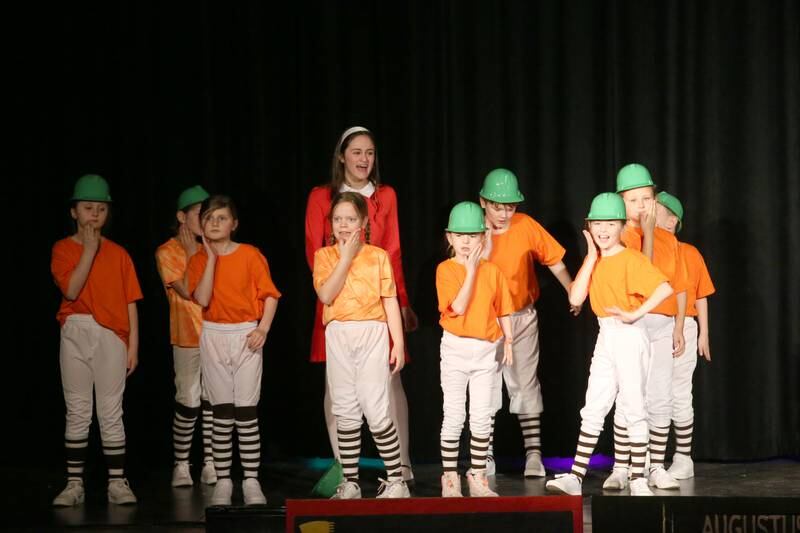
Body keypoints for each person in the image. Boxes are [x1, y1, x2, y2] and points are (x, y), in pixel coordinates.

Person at [305, 126, 417, 483]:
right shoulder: (322, 196)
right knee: (336, 388)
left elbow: (393, 252)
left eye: (369, 153)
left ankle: (401, 465)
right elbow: (315, 251)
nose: (363, 159)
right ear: (342, 156)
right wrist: (338, 281)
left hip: (377, 304)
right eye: (356, 152)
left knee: (389, 381)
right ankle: (344, 470)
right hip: (338, 301)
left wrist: (401, 302)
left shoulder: (385, 196)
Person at [545, 193, 673, 497]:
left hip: (630, 335)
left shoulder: (631, 257)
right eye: (597, 223)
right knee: (594, 405)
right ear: (589, 225)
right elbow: (575, 298)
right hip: (607, 336)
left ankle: (638, 477)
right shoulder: (596, 260)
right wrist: (590, 256)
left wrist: (635, 313)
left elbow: (664, 288)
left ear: (620, 226)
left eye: (610, 223)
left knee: (633, 406)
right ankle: (575, 476)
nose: (603, 230)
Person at [478, 168, 577, 477]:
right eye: (497, 205)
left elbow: (555, 261)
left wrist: (572, 289)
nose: (505, 212)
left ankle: (533, 453)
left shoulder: (525, 226)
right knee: (486, 386)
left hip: (521, 317)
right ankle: (484, 455)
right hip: (484, 321)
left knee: (524, 381)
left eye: (510, 206)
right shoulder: (473, 229)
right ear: (483, 202)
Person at [51, 174, 142, 506]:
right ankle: (74, 483)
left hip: (111, 335)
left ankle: (117, 482)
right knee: (77, 410)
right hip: (75, 330)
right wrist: (88, 251)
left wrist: (132, 346)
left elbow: (131, 301)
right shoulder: (63, 248)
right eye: (87, 208)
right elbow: (71, 290)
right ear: (74, 211)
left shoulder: (119, 254)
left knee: (110, 410)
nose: (94, 215)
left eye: (100, 209)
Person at [312, 192, 410, 499]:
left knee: (376, 406)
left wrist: (398, 343)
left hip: (372, 332)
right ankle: (350, 482)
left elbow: (390, 301)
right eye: (338, 219)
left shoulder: (377, 256)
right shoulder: (324, 257)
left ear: (364, 222)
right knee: (345, 407)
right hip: (339, 333)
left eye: (350, 219)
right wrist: (344, 256)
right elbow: (327, 295)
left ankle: (397, 480)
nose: (343, 225)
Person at [187, 195, 281, 505]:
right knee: (221, 412)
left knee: (245, 411)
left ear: (234, 224)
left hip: (245, 334)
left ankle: (251, 480)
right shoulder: (198, 259)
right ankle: (224, 480)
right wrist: (212, 259)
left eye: (221, 218)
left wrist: (262, 328)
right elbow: (201, 299)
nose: (214, 223)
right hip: (214, 334)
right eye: (209, 218)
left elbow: (270, 295)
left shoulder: (251, 255)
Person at [604, 164, 688, 491]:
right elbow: (642, 277)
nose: (641, 206)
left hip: (663, 322)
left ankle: (656, 465)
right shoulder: (621, 235)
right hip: (633, 323)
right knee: (629, 396)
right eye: (633, 199)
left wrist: (680, 326)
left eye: (646, 198)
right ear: (621, 202)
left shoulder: (670, 241)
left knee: (660, 396)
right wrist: (649, 234)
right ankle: (622, 466)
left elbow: (677, 286)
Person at [436, 201, 514, 497]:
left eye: (472, 236)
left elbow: (503, 307)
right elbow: (457, 306)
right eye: (460, 236)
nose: (467, 242)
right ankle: (450, 477)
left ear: (483, 237)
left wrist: (509, 340)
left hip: (485, 350)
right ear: (450, 238)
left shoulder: (492, 271)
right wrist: (469, 271)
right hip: (455, 349)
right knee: (454, 415)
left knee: (482, 416)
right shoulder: (445, 270)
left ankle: (478, 475)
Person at [155, 185, 217, 487]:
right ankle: (181, 463)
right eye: (198, 214)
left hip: (215, 333)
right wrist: (195, 253)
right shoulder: (167, 251)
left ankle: (210, 461)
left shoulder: (213, 250)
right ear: (182, 217)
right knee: (188, 399)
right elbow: (189, 290)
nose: (205, 220)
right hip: (187, 335)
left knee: (211, 399)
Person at [655, 191, 715, 480]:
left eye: (655, 208)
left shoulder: (689, 252)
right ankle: (650, 459)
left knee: (679, 391)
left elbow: (701, 294)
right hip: (653, 325)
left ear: (672, 219)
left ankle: (682, 456)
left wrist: (704, 333)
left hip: (685, 326)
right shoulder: (649, 249)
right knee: (653, 393)